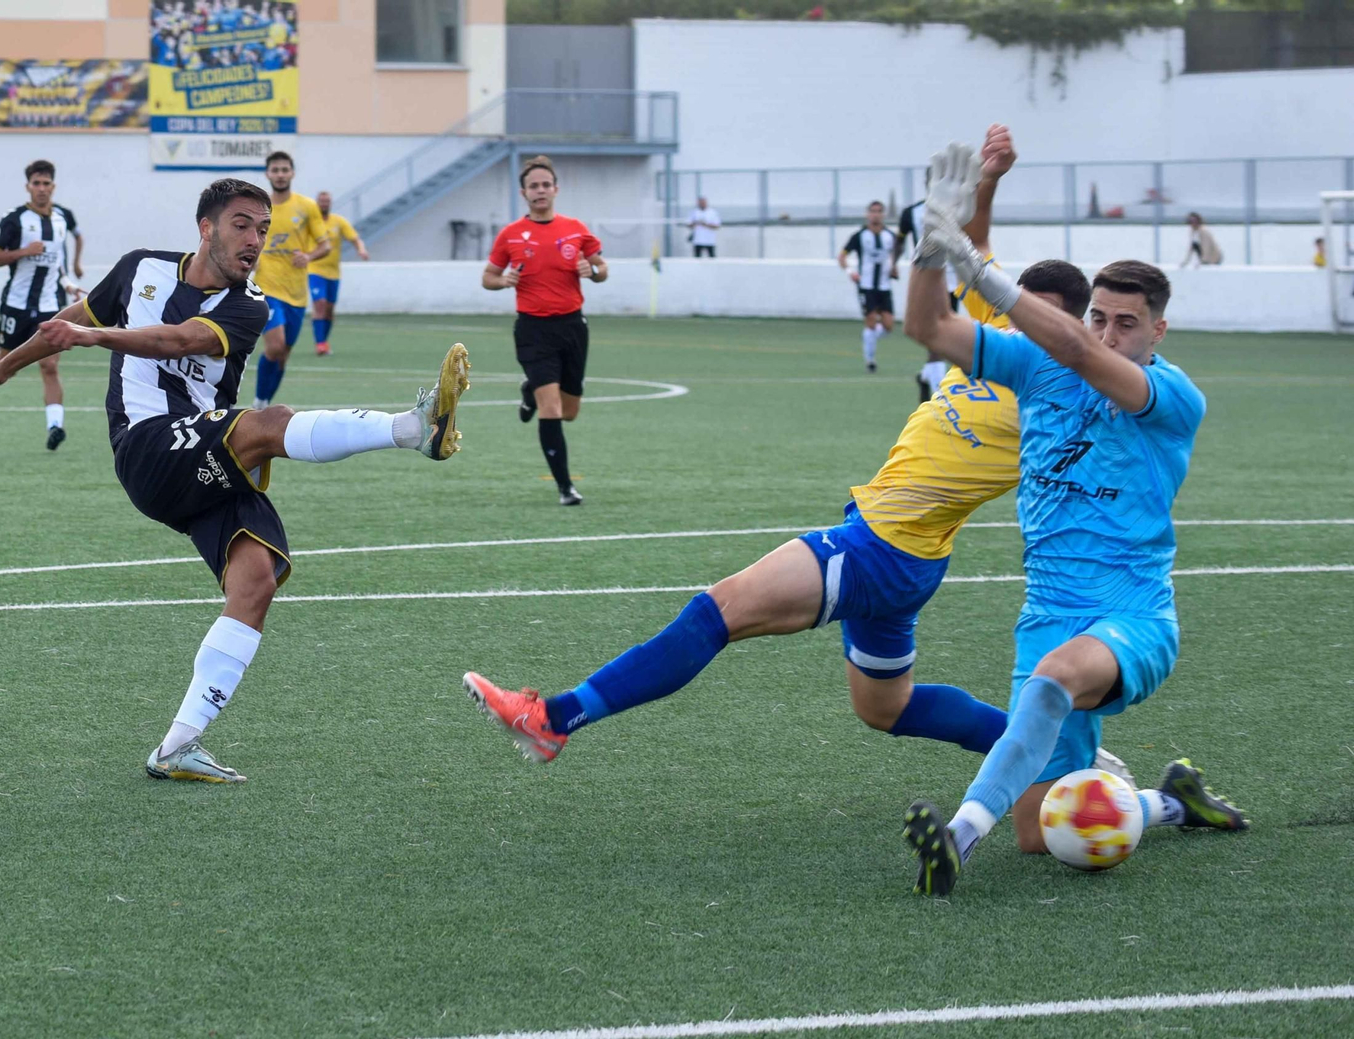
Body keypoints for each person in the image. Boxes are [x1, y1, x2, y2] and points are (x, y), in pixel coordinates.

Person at [460, 132, 1093, 776]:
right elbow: (978, 248)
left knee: (718, 611)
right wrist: (988, 181)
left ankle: (553, 720)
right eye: (1018, 311)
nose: (1020, 324)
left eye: (1041, 318)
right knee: (887, 707)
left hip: (887, 547)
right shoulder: (1006, 332)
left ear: (1070, 329)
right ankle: (1055, 753)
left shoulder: (1064, 391)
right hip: (904, 550)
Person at [0, 178, 471, 784]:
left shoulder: (249, 305)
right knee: (268, 423)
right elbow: (65, 324)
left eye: (263, 228)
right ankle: (413, 430)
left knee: (255, 581)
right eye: (242, 224)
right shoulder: (141, 270)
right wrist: (0, 370)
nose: (256, 239)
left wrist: (98, 336)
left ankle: (177, 746)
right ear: (206, 228)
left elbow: (179, 340)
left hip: (206, 457)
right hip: (148, 446)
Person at [899, 141, 1245, 898]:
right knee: (1042, 831)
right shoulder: (1035, 365)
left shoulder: (1172, 396)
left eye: (1128, 322)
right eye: (1099, 316)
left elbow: (1087, 358)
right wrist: (931, 247)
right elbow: (928, 328)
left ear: (1158, 332)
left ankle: (956, 837)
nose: (1109, 331)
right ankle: (1169, 799)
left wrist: (980, 270)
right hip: (1046, 611)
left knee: (1057, 678)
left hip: (1132, 616)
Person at [482, 155, 608, 507]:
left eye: (545, 185)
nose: (540, 191)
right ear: (524, 193)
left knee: (569, 411)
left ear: (555, 189)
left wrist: (593, 271)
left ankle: (528, 390)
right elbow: (487, 277)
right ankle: (565, 487)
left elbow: (602, 268)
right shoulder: (510, 235)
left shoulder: (576, 229)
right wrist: (503, 280)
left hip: (572, 327)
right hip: (533, 329)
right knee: (551, 408)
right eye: (533, 186)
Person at [0, 159, 84, 450]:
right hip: (17, 305)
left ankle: (55, 426)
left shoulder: (62, 218)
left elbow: (56, 263)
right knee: (6, 364)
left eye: (46, 183)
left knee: (49, 365)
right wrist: (23, 251)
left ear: (53, 186)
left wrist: (69, 283)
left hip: (51, 305)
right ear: (28, 187)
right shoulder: (14, 219)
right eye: (36, 183)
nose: (42, 189)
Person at [250, 151, 329, 409]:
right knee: (275, 345)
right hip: (266, 287)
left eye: (285, 170)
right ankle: (258, 405)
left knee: (283, 355)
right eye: (275, 170)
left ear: (292, 173)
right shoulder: (258, 207)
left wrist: (308, 256)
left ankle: (264, 405)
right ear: (267, 174)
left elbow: (324, 245)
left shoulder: (306, 207)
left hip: (295, 292)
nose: (280, 175)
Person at [306, 191, 368, 357]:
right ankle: (319, 344)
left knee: (329, 309)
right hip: (315, 270)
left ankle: (324, 341)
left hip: (333, 273)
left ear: (330, 203)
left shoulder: (338, 221)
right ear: (317, 203)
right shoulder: (312, 222)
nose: (324, 204)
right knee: (319, 304)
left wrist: (361, 250)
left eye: (327, 201)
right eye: (321, 201)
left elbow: (355, 238)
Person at [839, 201, 897, 372]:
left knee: (888, 326)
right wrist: (850, 272)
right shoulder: (859, 236)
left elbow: (893, 257)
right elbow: (842, 257)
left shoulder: (890, 237)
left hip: (884, 286)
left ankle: (867, 337)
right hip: (866, 286)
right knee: (871, 320)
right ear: (867, 214)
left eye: (879, 211)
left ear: (883, 214)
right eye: (872, 211)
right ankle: (870, 360)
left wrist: (893, 269)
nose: (875, 215)